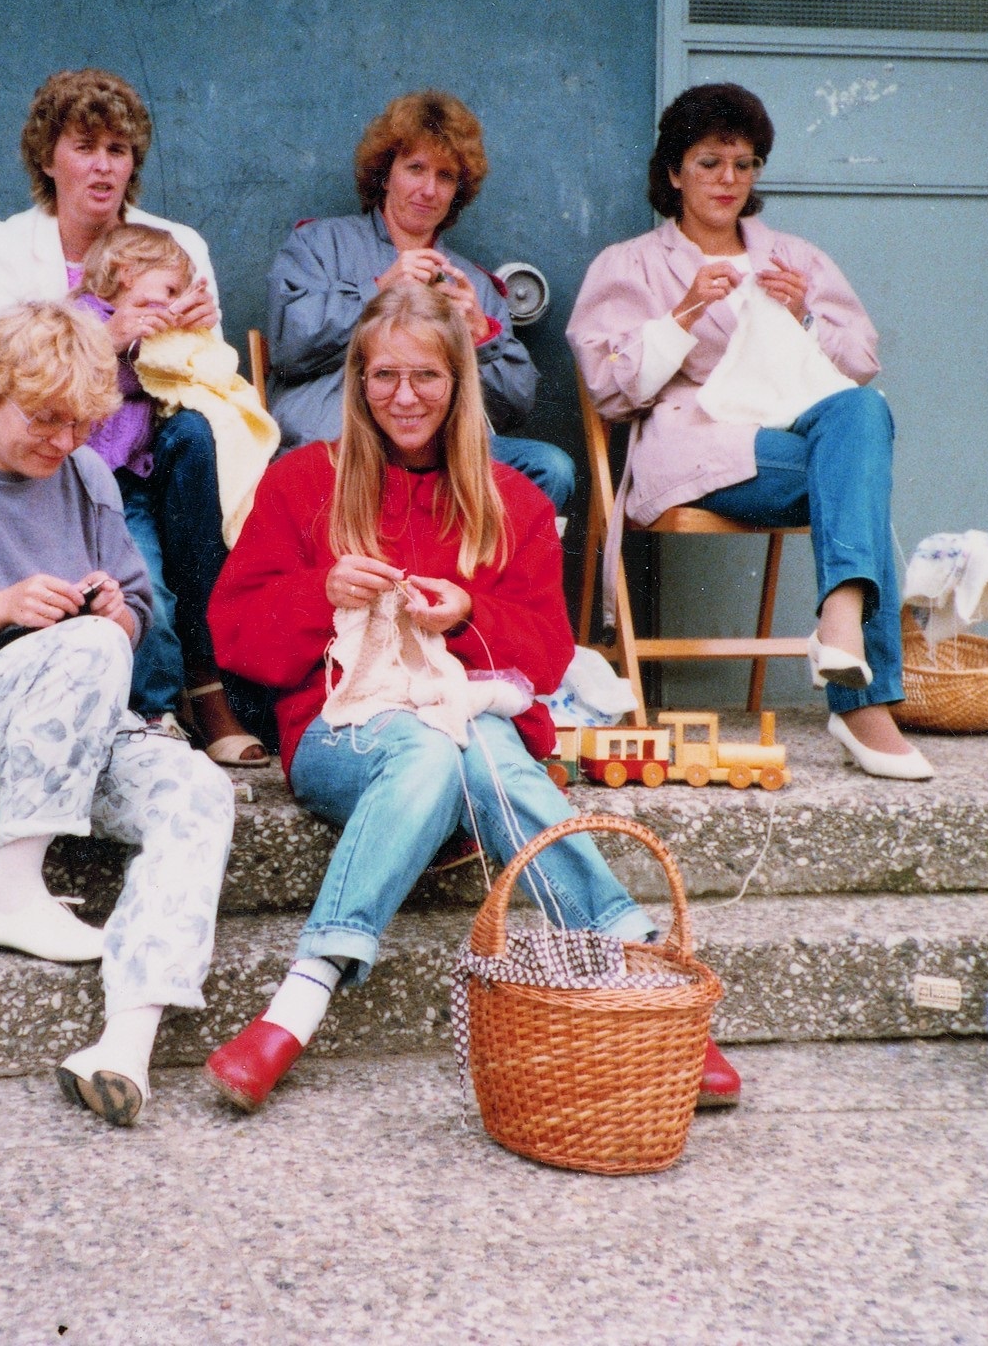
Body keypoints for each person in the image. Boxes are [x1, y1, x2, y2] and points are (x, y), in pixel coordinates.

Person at [201, 282, 740, 1112]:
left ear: (459, 385)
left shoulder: (511, 500)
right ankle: (645, 965)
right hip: (344, 733)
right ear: (358, 382)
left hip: (470, 735)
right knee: (436, 743)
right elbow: (234, 637)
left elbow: (549, 657)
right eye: (383, 377)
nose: (404, 397)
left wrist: (468, 614)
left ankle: (293, 1011)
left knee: (472, 745)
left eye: (426, 377)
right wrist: (322, 592)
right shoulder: (305, 481)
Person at [0, 301, 236, 1128]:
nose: (63, 442)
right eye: (45, 419)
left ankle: (123, 1046)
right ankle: (14, 891)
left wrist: (112, 613)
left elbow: (134, 612)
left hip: (67, 734)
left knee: (199, 791)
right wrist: (3, 606)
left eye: (80, 425)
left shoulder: (88, 478)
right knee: (88, 650)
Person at [567, 82, 932, 788]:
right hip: (698, 443)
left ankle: (840, 621)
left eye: (744, 163)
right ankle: (861, 700)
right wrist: (678, 316)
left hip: (796, 436)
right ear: (674, 172)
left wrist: (802, 320)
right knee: (858, 472)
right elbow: (608, 389)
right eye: (708, 163)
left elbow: (858, 363)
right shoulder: (630, 264)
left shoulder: (794, 258)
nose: (728, 180)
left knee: (865, 413)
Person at [0, 67, 260, 764]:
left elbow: (194, 374)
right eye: (85, 146)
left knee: (197, 436)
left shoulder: (172, 243)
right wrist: (102, 338)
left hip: (151, 459)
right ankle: (157, 701)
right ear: (47, 158)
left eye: (118, 150)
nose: (102, 165)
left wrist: (192, 330)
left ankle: (207, 684)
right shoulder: (3, 247)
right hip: (45, 458)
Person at [264, 90, 576, 513]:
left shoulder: (475, 284)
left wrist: (480, 337)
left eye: (446, 176)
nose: (429, 189)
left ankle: (478, 580)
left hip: (443, 459)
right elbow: (290, 346)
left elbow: (515, 408)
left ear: (457, 191)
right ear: (386, 174)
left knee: (549, 468)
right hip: (339, 444)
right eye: (415, 168)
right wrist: (377, 292)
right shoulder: (320, 242)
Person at [67, 222, 272, 766]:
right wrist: (116, 338)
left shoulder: (156, 332)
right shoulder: (82, 316)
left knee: (150, 590)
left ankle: (156, 712)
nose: (176, 303)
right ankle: (142, 707)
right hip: (74, 490)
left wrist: (185, 330)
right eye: (170, 289)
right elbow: (60, 367)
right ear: (128, 276)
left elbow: (186, 372)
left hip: (131, 489)